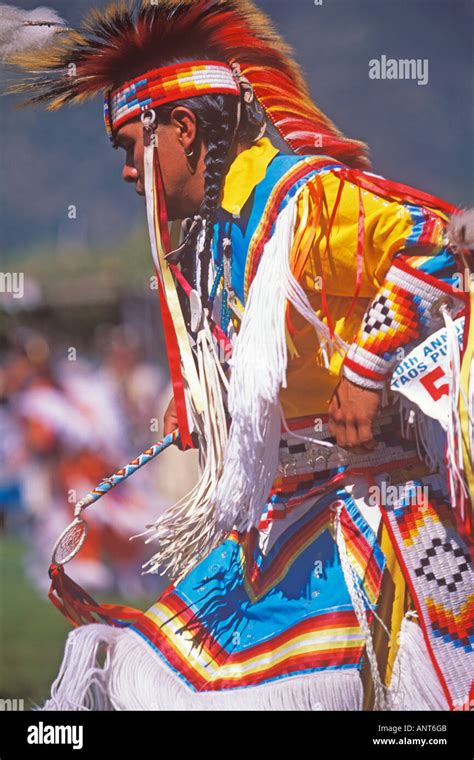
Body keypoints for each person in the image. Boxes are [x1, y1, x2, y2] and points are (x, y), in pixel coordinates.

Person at [3, 0, 472, 711]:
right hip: (293, 517)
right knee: (152, 673)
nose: (129, 173)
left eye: (132, 147)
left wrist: (367, 372)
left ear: (183, 129)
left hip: (384, 519)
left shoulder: (305, 199)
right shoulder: (223, 235)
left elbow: (440, 241)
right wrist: (202, 394)